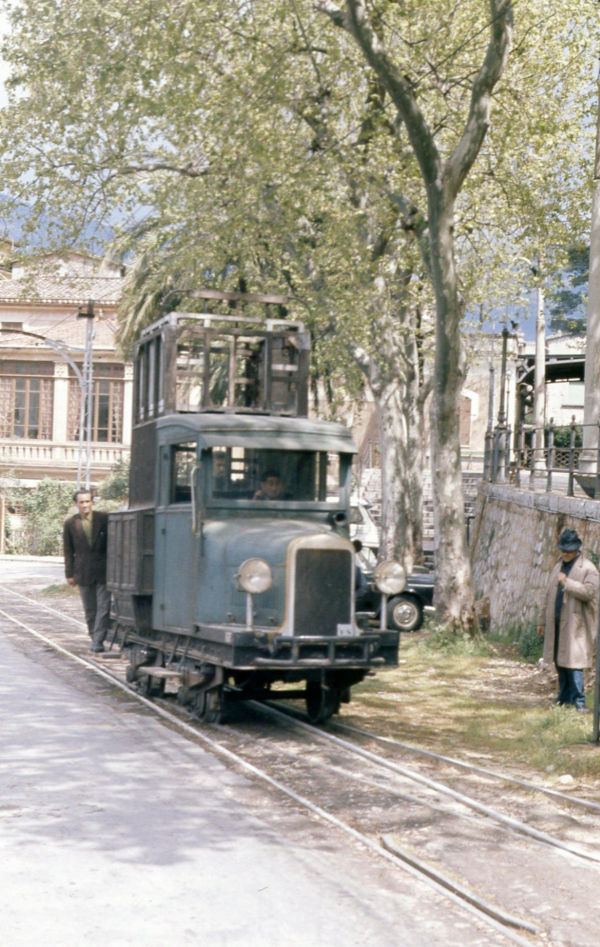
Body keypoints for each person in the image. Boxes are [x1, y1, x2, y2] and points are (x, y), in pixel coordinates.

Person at [537, 528, 599, 712]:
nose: (565, 553)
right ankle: (563, 697)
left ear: (577, 549)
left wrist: (567, 583)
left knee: (575, 663)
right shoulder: (558, 565)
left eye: (569, 550)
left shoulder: (588, 569)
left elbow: (590, 592)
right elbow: (547, 594)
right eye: (563, 550)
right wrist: (541, 620)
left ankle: (579, 701)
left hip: (575, 624)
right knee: (559, 660)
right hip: (556, 622)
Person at [63, 489, 111, 653]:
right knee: (90, 610)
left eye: (87, 501)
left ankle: (98, 641)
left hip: (103, 571)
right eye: (81, 502)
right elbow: (68, 551)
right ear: (76, 504)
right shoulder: (70, 523)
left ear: (92, 502)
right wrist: (69, 574)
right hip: (82, 572)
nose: (85, 505)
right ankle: (93, 636)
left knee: (104, 608)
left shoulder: (104, 519)